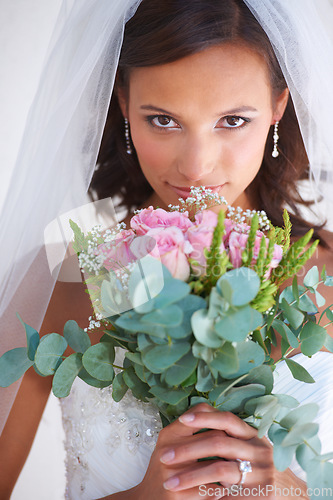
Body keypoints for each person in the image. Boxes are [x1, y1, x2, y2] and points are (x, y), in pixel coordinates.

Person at [1, 0, 333, 498]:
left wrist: (295, 491)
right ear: (123, 105)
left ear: (278, 108)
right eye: (163, 120)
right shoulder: (60, 284)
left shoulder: (325, 272)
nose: (195, 167)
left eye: (233, 121)